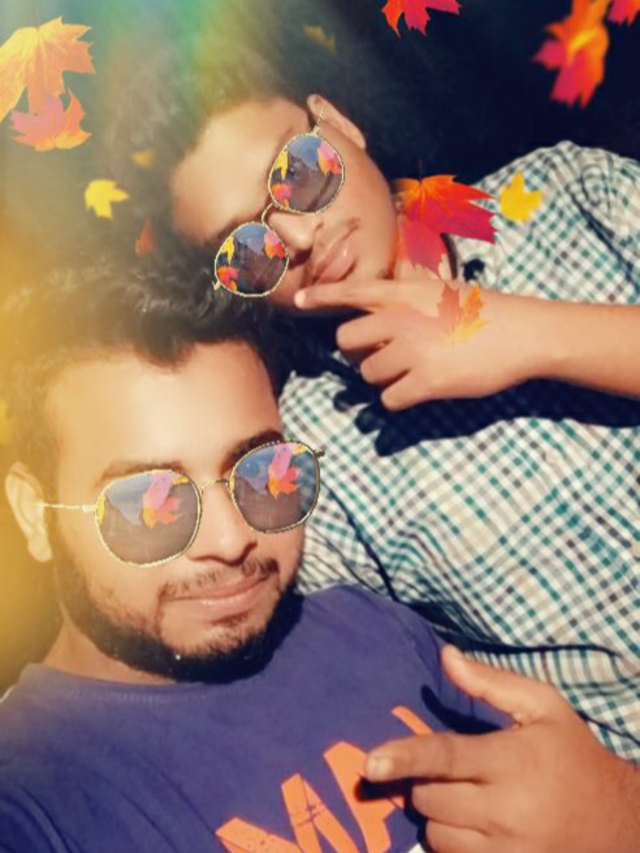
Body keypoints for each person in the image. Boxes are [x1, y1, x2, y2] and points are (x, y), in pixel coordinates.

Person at [129, 48, 640, 770]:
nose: (297, 236)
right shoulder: (311, 460)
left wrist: (534, 335)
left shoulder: (566, 196)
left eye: (296, 172)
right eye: (248, 248)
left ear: (338, 122)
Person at [0, 251, 518, 852]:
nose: (231, 539)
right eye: (149, 505)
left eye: (262, 473)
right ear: (35, 514)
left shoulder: (372, 628)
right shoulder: (34, 801)